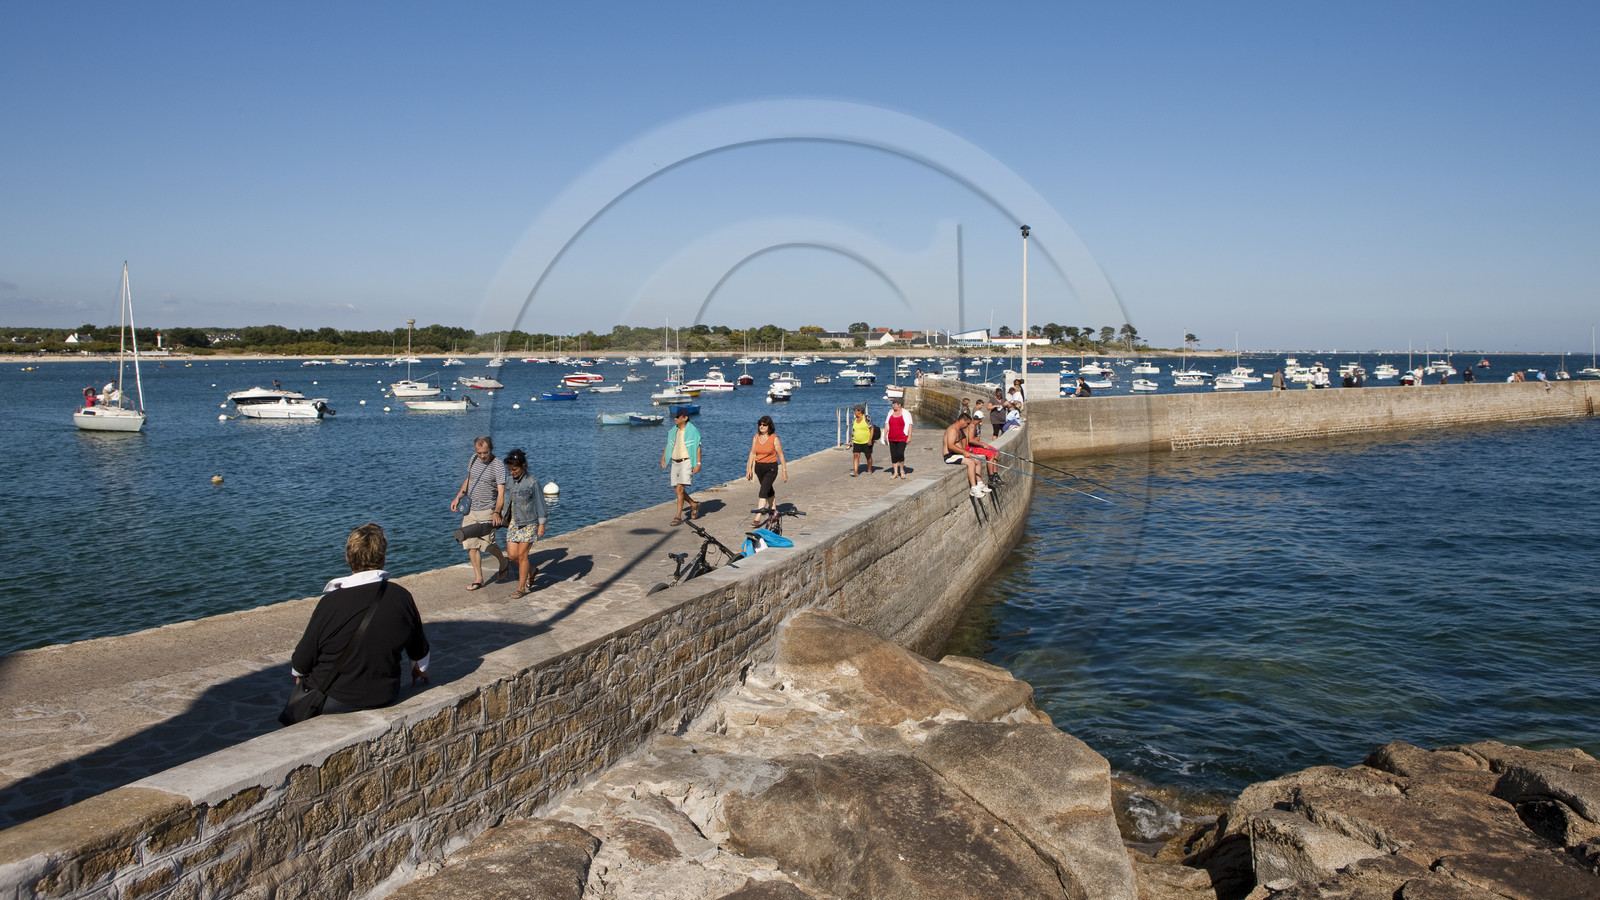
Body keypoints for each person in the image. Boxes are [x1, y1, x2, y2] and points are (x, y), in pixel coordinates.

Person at [289, 523, 430, 713]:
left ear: (348, 558)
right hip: (385, 693)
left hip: (335, 697)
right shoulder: (401, 597)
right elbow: (419, 652)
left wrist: (300, 677)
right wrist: (418, 668)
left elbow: (301, 662)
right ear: (382, 559)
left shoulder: (330, 603)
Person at [450, 436, 509, 591]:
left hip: (487, 510)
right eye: (479, 453)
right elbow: (469, 480)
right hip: (471, 510)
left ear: (491, 449)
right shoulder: (473, 459)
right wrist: (458, 497)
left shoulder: (498, 466)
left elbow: (501, 492)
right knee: (471, 545)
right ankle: (479, 579)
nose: (482, 456)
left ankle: (503, 562)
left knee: (487, 544)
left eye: (485, 452)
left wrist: (496, 512)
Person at [501, 449, 548, 599]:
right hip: (514, 522)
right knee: (512, 556)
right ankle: (531, 570)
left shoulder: (532, 482)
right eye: (509, 469)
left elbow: (540, 504)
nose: (512, 472)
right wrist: (497, 513)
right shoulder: (509, 481)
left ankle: (521, 588)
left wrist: (541, 524)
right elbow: (504, 500)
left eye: (514, 469)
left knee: (522, 555)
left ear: (523, 465)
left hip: (529, 523)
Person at [660, 407, 701, 525]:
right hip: (674, 462)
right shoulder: (674, 431)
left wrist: (698, 464)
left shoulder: (692, 431)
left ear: (685, 418)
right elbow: (669, 445)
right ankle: (694, 504)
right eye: (675, 417)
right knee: (677, 490)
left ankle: (678, 517)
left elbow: (697, 448)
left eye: (678, 417)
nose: (675, 419)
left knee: (680, 489)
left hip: (686, 461)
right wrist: (663, 458)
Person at [745, 415, 787, 524]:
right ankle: (774, 512)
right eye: (760, 424)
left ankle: (758, 516)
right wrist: (749, 469)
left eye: (764, 425)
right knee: (768, 489)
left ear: (769, 426)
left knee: (763, 490)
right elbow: (752, 453)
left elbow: (781, 455)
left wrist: (784, 471)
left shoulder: (774, 438)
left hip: (771, 468)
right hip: (759, 468)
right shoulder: (756, 437)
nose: (762, 427)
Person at [943, 414, 987, 497]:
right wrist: (963, 452)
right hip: (949, 456)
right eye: (967, 423)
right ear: (962, 420)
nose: (968, 425)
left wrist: (967, 451)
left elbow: (964, 440)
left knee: (977, 459)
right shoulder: (952, 430)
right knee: (970, 462)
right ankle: (973, 488)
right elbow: (950, 446)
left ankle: (980, 484)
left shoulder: (960, 430)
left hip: (958, 454)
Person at [884, 397, 913, 478]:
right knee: (893, 455)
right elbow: (886, 423)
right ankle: (895, 472)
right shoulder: (890, 412)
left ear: (899, 405)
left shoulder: (906, 413)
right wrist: (885, 434)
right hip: (891, 437)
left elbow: (910, 425)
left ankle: (902, 470)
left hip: (902, 437)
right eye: (893, 403)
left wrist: (909, 436)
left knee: (900, 453)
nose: (893, 405)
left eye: (894, 403)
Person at [849, 405, 875, 476]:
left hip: (866, 441)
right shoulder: (854, 420)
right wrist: (851, 441)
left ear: (860, 411)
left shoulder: (867, 418)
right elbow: (853, 431)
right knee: (856, 455)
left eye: (855, 411)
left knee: (868, 456)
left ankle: (869, 469)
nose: (854, 412)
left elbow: (872, 429)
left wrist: (870, 439)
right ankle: (856, 472)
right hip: (857, 441)